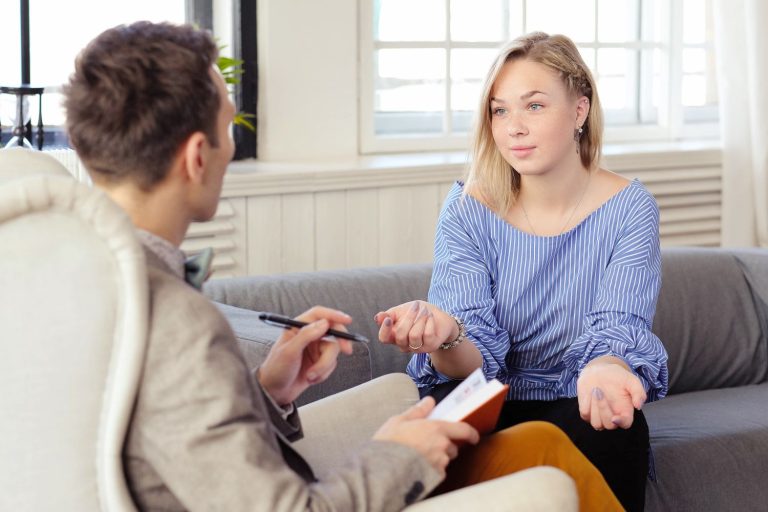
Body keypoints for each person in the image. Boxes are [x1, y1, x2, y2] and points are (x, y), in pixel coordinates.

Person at [64, 22, 623, 511]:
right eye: (228, 128)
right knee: (548, 465)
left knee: (524, 439)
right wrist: (396, 457)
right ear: (196, 156)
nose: (232, 150)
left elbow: (168, 431)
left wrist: (266, 391)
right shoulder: (179, 321)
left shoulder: (83, 274)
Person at [375, 32, 669, 512]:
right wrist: (447, 333)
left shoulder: (629, 207)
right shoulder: (468, 207)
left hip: (574, 394)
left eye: (533, 106)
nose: (513, 127)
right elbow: (472, 365)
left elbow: (619, 325)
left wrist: (606, 370)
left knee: (614, 424)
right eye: (500, 110)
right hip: (486, 400)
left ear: (579, 110)